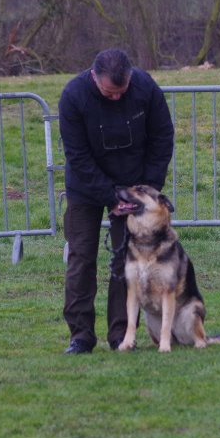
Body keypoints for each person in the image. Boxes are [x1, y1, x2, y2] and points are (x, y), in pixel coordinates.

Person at [58, 49, 175, 354]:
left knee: (125, 261)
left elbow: (162, 138)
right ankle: (81, 335)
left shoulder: (146, 88)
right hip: (85, 188)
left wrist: (146, 190)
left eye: (121, 93)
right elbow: (78, 157)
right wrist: (109, 198)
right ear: (94, 76)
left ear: (131, 78)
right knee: (81, 258)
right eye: (109, 93)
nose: (115, 98)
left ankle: (121, 334)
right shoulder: (73, 96)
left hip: (134, 188)